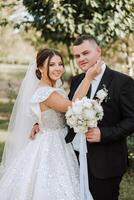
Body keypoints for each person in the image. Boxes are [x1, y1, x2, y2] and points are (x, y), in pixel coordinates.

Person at [0, 48, 102, 200]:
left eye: (60, 64)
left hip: (56, 138)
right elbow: (73, 106)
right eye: (52, 65)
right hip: (51, 143)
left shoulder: (51, 89)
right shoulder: (47, 93)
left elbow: (49, 113)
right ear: (40, 68)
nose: (58, 68)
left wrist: (38, 122)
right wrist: (88, 78)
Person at [65, 35, 134, 200]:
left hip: (106, 162)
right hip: (75, 158)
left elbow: (132, 119)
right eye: (77, 56)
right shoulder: (77, 80)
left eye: (85, 53)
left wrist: (103, 134)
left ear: (98, 51)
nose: (81, 59)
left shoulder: (122, 81)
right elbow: (67, 110)